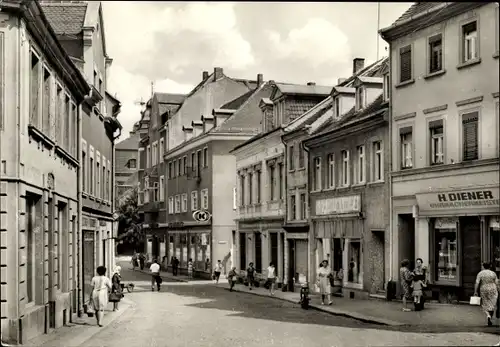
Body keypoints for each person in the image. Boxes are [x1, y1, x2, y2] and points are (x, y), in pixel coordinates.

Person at [474, 262, 499, 326]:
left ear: (483, 266)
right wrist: (498, 289)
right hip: (493, 289)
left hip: (484, 289)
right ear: (490, 266)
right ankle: (491, 316)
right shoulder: (493, 273)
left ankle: (488, 315)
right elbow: (496, 282)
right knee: (492, 303)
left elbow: (477, 283)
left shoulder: (480, 273)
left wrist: (475, 291)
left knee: (485, 303)